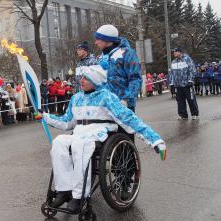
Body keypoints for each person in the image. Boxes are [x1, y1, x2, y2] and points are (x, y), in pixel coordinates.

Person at [42, 65, 166, 212]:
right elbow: (67, 122)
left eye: (86, 78)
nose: (81, 80)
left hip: (98, 134)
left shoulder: (107, 97)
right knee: (59, 143)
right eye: (82, 77)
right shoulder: (76, 98)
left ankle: (78, 196)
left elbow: (129, 119)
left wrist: (155, 140)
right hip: (79, 133)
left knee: (80, 145)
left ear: (95, 81)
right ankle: (64, 191)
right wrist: (45, 116)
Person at [94, 24, 142, 112]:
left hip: (122, 106)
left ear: (107, 39)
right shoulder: (100, 57)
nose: (95, 42)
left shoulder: (127, 53)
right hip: (104, 108)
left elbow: (135, 79)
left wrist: (126, 100)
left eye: (98, 39)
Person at [170, 47, 199, 120]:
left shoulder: (187, 59)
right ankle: (183, 115)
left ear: (180, 52)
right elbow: (172, 73)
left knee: (191, 99)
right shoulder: (173, 62)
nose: (174, 53)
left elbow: (192, 70)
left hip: (187, 84)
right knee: (180, 101)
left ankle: (194, 114)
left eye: (175, 51)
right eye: (173, 52)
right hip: (178, 85)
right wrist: (172, 83)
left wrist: (190, 80)